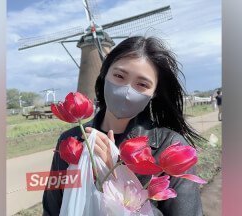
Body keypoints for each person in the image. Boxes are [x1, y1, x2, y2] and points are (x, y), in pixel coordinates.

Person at [42, 36, 206, 216]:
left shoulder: (171, 147)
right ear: (104, 73)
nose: (127, 91)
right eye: (119, 76)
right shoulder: (70, 141)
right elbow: (52, 209)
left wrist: (116, 176)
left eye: (142, 84)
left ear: (155, 92)